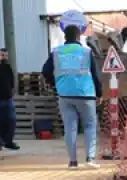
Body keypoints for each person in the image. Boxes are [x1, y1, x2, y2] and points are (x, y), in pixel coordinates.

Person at [42, 24, 103, 169]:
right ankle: (90, 159)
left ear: (65, 37)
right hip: (86, 94)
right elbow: (95, 74)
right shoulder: (86, 52)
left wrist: (55, 84)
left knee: (70, 128)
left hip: (65, 95)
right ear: (79, 36)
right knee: (89, 126)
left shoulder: (56, 52)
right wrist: (99, 93)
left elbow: (45, 70)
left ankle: (73, 162)